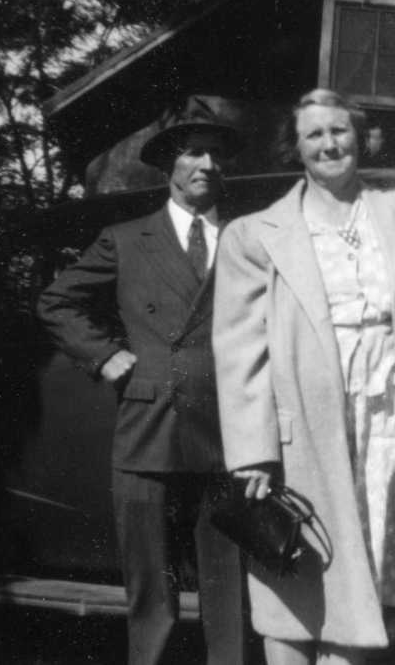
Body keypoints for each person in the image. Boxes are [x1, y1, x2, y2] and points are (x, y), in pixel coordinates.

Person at [36, 95, 247, 665]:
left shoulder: (248, 238)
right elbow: (57, 301)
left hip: (227, 432)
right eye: (193, 153)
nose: (207, 164)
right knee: (151, 592)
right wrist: (103, 355)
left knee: (229, 593)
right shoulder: (127, 238)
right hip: (148, 425)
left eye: (216, 154)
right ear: (168, 164)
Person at [212, 89, 395, 665]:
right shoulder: (255, 234)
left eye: (340, 131)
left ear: (361, 139)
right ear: (295, 148)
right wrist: (252, 451)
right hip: (305, 421)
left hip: (389, 418)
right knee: (299, 577)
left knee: (372, 569)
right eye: (314, 134)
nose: (329, 144)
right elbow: (239, 350)